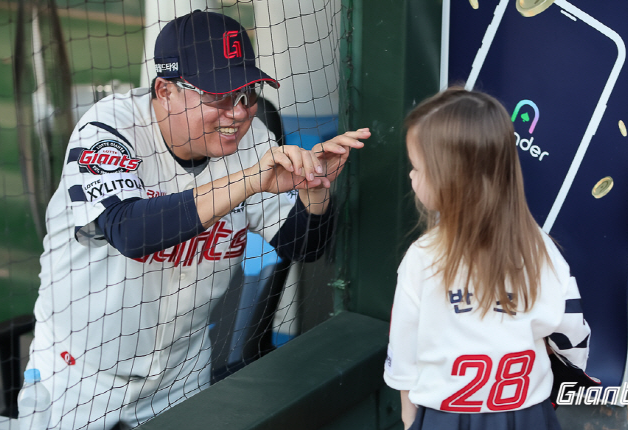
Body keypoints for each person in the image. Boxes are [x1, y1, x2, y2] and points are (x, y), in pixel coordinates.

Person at [23, 10, 369, 430]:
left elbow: (305, 246)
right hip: (78, 381)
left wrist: (313, 195)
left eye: (247, 93)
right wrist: (248, 181)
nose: (239, 113)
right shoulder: (109, 129)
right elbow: (131, 230)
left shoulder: (253, 140)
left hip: (181, 379)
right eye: (218, 96)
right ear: (165, 90)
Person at [383, 87, 591, 430]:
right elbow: (571, 336)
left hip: (445, 420)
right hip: (528, 417)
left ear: (451, 179)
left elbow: (404, 360)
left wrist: (409, 421)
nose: (411, 176)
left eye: (417, 168)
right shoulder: (541, 249)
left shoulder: (422, 258)